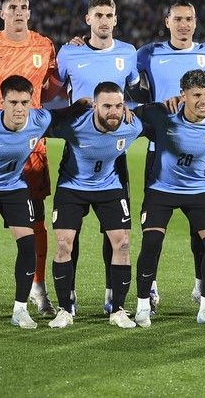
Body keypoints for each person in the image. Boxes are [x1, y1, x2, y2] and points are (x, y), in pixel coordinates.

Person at [0, 75, 89, 329]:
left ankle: (20, 310)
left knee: (28, 245)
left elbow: (61, 115)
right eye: (13, 102)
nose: (19, 108)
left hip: (13, 186)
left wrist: (81, 104)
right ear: (2, 102)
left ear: (31, 103)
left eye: (24, 102)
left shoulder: (39, 120)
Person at [0, 0, 60, 318]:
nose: (19, 12)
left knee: (36, 221)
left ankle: (38, 289)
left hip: (32, 148)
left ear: (29, 12)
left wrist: (33, 111)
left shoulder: (44, 45)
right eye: (13, 7)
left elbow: (53, 87)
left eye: (24, 7)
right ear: (2, 13)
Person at [135, 0, 205, 312]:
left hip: (198, 150)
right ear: (167, 22)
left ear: (196, 22)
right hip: (159, 150)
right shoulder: (148, 53)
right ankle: (151, 290)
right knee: (153, 230)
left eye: (189, 19)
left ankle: (202, 288)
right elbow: (128, 86)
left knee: (201, 227)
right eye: (178, 19)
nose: (184, 24)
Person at [56, 0, 140, 315]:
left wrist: (126, 110)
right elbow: (53, 89)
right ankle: (69, 298)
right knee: (68, 233)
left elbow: (130, 89)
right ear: (88, 19)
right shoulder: (69, 53)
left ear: (115, 20)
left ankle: (111, 296)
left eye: (109, 15)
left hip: (114, 151)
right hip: (77, 147)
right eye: (98, 15)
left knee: (115, 230)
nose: (104, 20)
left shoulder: (128, 53)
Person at [133, 69, 205, 328]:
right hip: (161, 189)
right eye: (197, 95)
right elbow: (126, 113)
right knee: (152, 240)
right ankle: (143, 305)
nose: (204, 101)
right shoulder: (160, 116)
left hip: (198, 190)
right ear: (183, 96)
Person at [47, 82, 144, 329]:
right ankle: (64, 310)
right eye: (107, 106)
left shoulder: (132, 127)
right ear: (95, 106)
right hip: (72, 187)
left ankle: (118, 310)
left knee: (122, 244)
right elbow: (40, 123)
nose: (114, 111)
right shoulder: (73, 126)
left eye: (119, 106)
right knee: (63, 245)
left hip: (109, 187)